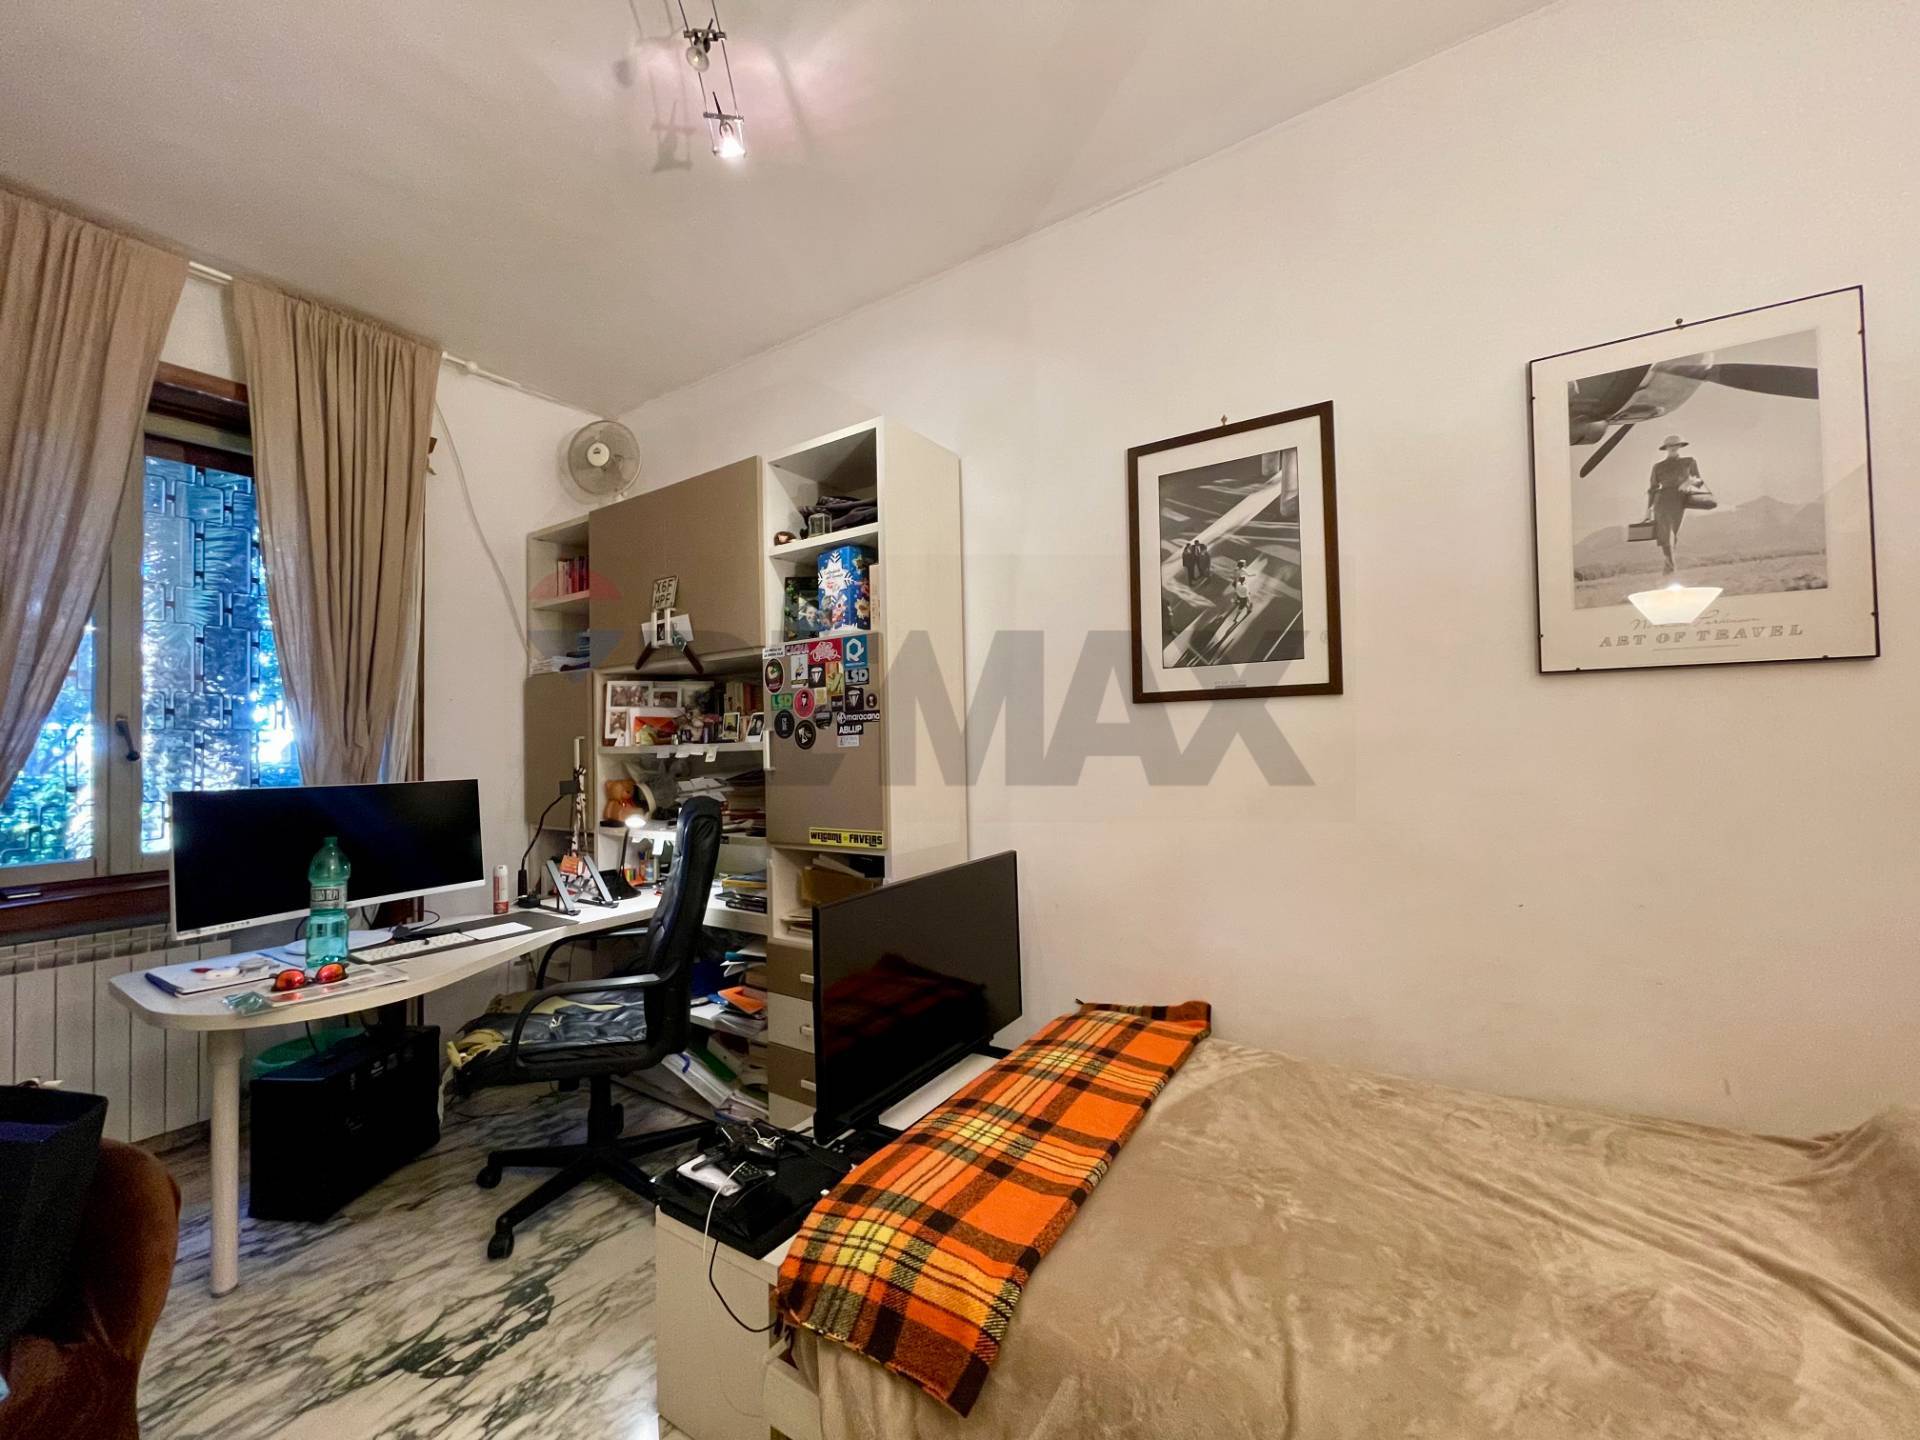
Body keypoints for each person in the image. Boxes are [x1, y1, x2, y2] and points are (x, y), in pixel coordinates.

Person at [1644, 434, 1702, 576]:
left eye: (1676, 445)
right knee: (1665, 533)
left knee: (1673, 533)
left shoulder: (1689, 462)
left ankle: (1668, 564)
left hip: (1679, 499)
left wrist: (1688, 483)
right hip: (1662, 500)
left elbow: (1699, 481)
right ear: (1666, 448)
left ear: (1680, 446)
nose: (1673, 448)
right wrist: (1648, 510)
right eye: (1670, 445)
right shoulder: (1658, 467)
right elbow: (1653, 488)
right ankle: (1671, 565)